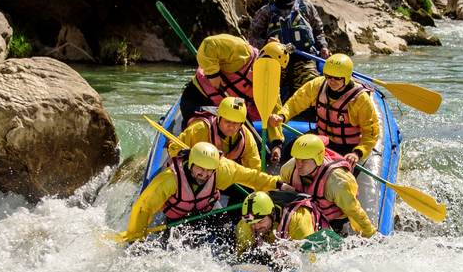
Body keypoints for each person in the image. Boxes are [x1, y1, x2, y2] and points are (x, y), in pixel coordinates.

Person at [124, 142, 278, 242]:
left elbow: (252, 177)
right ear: (191, 164)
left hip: (209, 210)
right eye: (200, 169)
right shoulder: (170, 180)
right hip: (177, 219)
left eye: (209, 170)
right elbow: (143, 208)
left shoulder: (222, 169)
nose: (204, 174)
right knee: (171, 247)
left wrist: (278, 184)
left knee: (228, 237)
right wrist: (136, 237)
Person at [266, 53, 379, 169]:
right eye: (328, 76)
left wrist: (357, 153)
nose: (332, 81)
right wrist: (282, 116)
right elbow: (295, 103)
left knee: (333, 172)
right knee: (289, 151)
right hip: (321, 139)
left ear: (346, 77)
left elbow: (371, 133)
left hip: (348, 147)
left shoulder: (360, 99)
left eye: (337, 78)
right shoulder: (317, 85)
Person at [248, 0, 328, 98]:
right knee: (270, 92)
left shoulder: (305, 7)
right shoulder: (264, 12)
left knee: (314, 88)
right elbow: (252, 38)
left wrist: (323, 47)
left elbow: (318, 30)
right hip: (276, 62)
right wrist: (266, 43)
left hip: (305, 59)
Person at [278, 134, 376, 238]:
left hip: (334, 222)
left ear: (318, 159)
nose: (299, 165)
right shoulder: (288, 169)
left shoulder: (337, 181)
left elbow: (354, 210)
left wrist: (369, 233)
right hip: (305, 215)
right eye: (297, 159)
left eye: (304, 160)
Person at [178, 35, 289, 124]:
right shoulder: (242, 52)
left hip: (229, 109)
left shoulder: (269, 85)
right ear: (261, 56)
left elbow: (272, 110)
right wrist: (213, 75)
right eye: (266, 65)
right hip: (198, 98)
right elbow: (209, 44)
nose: (267, 72)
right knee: (206, 128)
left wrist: (276, 142)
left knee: (243, 134)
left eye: (273, 70)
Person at [168, 97, 262, 171]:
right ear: (218, 118)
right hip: (199, 173)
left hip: (225, 175)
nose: (231, 127)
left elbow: (254, 165)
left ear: (241, 124)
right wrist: (184, 155)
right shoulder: (200, 129)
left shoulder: (246, 136)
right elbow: (174, 147)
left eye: (236, 123)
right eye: (227, 121)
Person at [234, 190, 323, 258]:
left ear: (272, 214)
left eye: (260, 221)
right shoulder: (246, 223)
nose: (256, 226)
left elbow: (311, 258)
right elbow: (239, 256)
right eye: (252, 223)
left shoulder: (298, 220)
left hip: (317, 231)